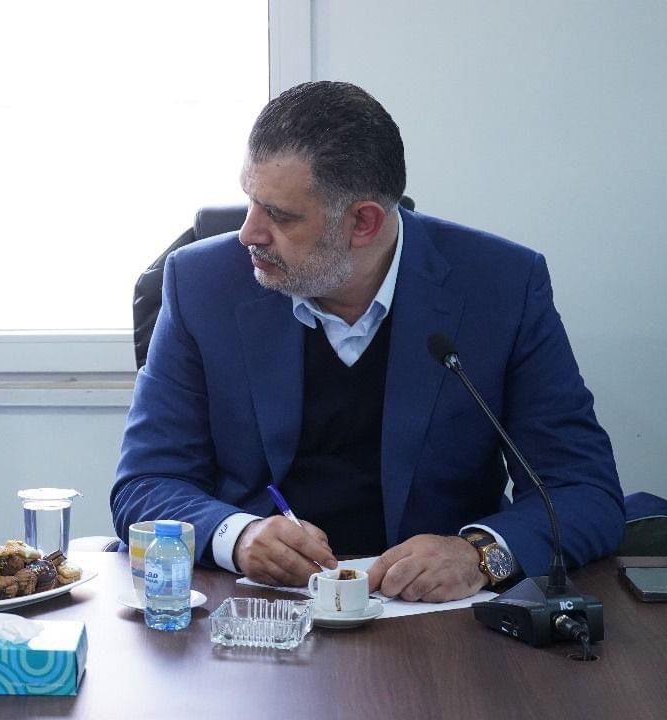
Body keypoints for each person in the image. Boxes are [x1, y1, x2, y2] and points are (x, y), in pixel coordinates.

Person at [112, 81, 623, 602]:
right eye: (251, 200)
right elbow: (146, 484)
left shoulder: (501, 288)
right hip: (259, 610)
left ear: (363, 222)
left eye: (279, 215)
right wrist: (237, 535)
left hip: (436, 615)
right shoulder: (202, 283)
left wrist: (478, 554)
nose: (249, 233)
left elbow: (583, 489)